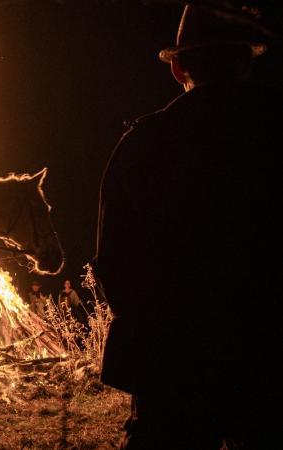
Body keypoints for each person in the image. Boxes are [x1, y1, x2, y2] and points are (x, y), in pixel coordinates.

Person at [94, 5, 281, 448]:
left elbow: (114, 263)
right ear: (246, 60)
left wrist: (160, 328)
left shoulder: (144, 143)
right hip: (270, 359)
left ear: (178, 68)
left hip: (173, 368)